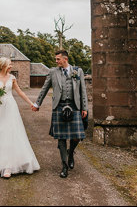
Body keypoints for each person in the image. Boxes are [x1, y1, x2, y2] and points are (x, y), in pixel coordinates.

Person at [32, 49, 88, 178]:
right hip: (59, 106)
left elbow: (83, 91)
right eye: (56, 59)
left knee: (77, 136)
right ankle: (64, 166)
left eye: (58, 59)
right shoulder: (53, 72)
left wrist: (85, 108)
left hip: (74, 106)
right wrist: (37, 104)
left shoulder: (77, 71)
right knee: (61, 138)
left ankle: (71, 152)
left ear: (65, 59)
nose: (56, 61)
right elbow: (44, 89)